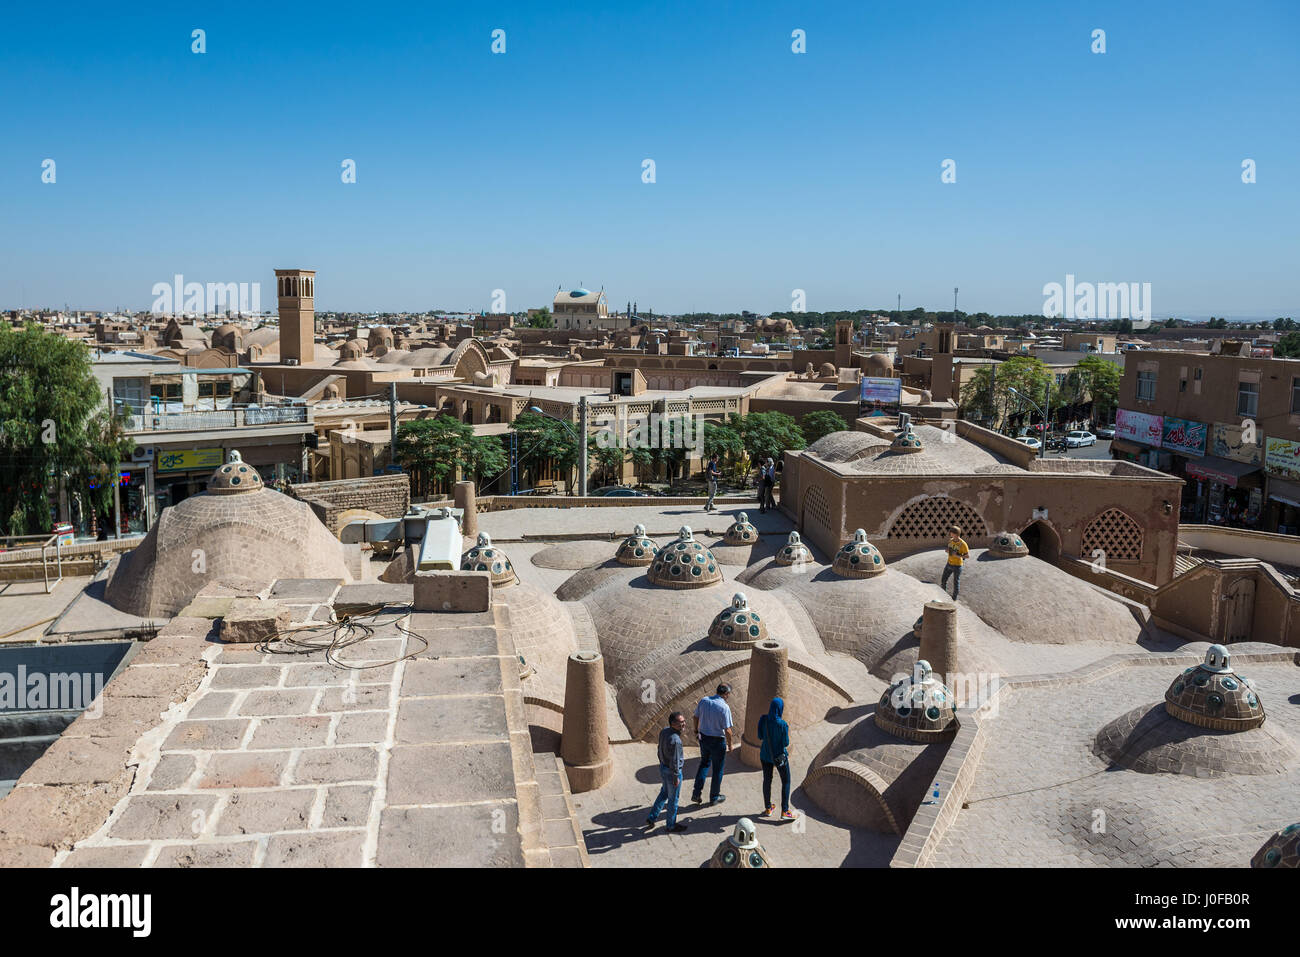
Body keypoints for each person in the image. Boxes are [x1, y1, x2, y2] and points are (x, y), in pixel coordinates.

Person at [691, 684, 734, 806]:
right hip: (717, 741)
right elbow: (728, 730)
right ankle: (714, 796)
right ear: (726, 694)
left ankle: (696, 793)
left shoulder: (704, 700)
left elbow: (695, 717)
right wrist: (730, 746)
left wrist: (696, 731)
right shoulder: (724, 707)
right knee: (717, 769)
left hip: (703, 738)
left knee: (704, 764)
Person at [646, 712, 688, 833]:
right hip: (672, 773)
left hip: (663, 768)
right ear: (673, 724)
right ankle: (671, 825)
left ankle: (652, 817)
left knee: (664, 792)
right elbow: (675, 761)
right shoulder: (676, 741)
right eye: (681, 722)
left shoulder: (664, 731)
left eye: (684, 721)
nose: (684, 724)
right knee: (673, 800)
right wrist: (676, 777)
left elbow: (659, 749)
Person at [757, 696, 797, 820]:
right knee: (786, 781)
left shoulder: (763, 719)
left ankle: (768, 808)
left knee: (767, 781)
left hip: (765, 755)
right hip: (779, 757)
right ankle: (785, 811)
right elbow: (785, 743)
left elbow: (760, 736)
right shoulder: (782, 724)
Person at [941, 524, 969, 599]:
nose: (950, 534)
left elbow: (967, 556)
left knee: (956, 583)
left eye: (951, 533)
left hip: (957, 566)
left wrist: (958, 556)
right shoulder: (950, 540)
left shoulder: (963, 544)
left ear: (955, 534)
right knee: (943, 580)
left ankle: (954, 599)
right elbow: (949, 549)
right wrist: (947, 551)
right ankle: (943, 595)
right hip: (949, 563)